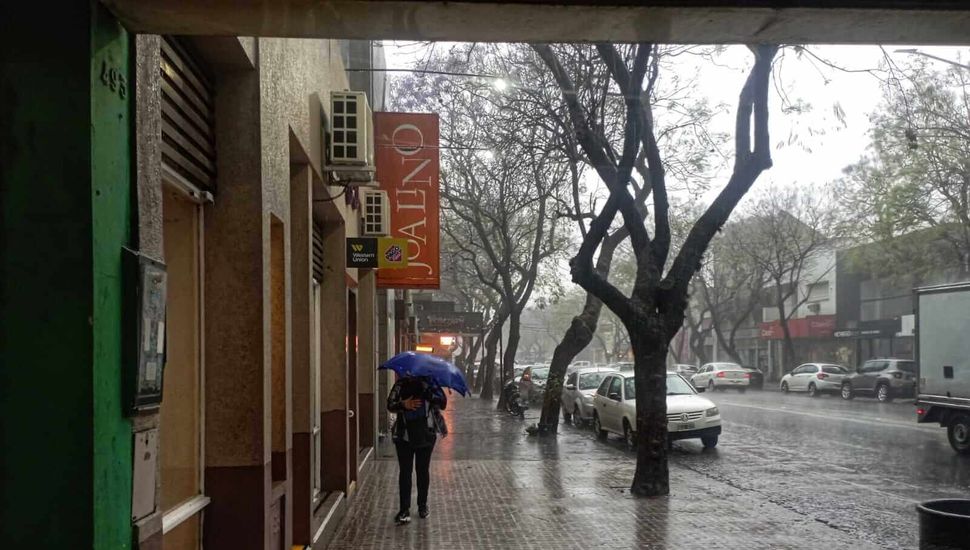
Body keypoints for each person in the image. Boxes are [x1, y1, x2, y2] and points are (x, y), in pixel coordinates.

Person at [386, 375, 448, 525]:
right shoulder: (401, 384)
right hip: (404, 436)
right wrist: (403, 404)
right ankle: (404, 509)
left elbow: (443, 403)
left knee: (422, 471)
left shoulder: (431, 383)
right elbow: (390, 404)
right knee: (405, 472)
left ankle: (422, 505)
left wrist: (429, 395)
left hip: (426, 436)